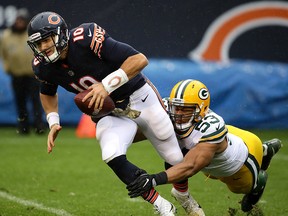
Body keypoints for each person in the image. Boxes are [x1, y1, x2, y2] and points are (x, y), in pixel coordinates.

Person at [26, 11, 191, 215]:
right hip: (108, 112)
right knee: (111, 153)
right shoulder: (42, 67)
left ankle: (184, 196)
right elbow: (47, 92)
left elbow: (139, 60)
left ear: (60, 34)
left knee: (175, 157)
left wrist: (105, 86)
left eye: (46, 40)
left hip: (139, 96)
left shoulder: (85, 37)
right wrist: (53, 121)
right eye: (38, 44)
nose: (43, 48)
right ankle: (162, 206)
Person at [127, 79, 282, 213]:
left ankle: (259, 177)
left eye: (186, 109)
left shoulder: (211, 130)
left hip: (241, 162)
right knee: (178, 150)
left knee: (241, 189)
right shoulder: (167, 108)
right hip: (225, 146)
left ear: (202, 110)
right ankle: (265, 150)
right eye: (177, 107)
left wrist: (154, 179)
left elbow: (190, 166)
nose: (179, 114)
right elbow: (145, 129)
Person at [0, 9, 45, 134]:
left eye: (22, 21)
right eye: (17, 20)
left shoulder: (31, 34)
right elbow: (3, 55)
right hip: (17, 75)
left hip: (33, 74)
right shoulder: (7, 36)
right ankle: (23, 126)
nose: (19, 23)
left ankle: (39, 125)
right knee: (20, 102)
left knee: (36, 101)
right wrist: (8, 68)